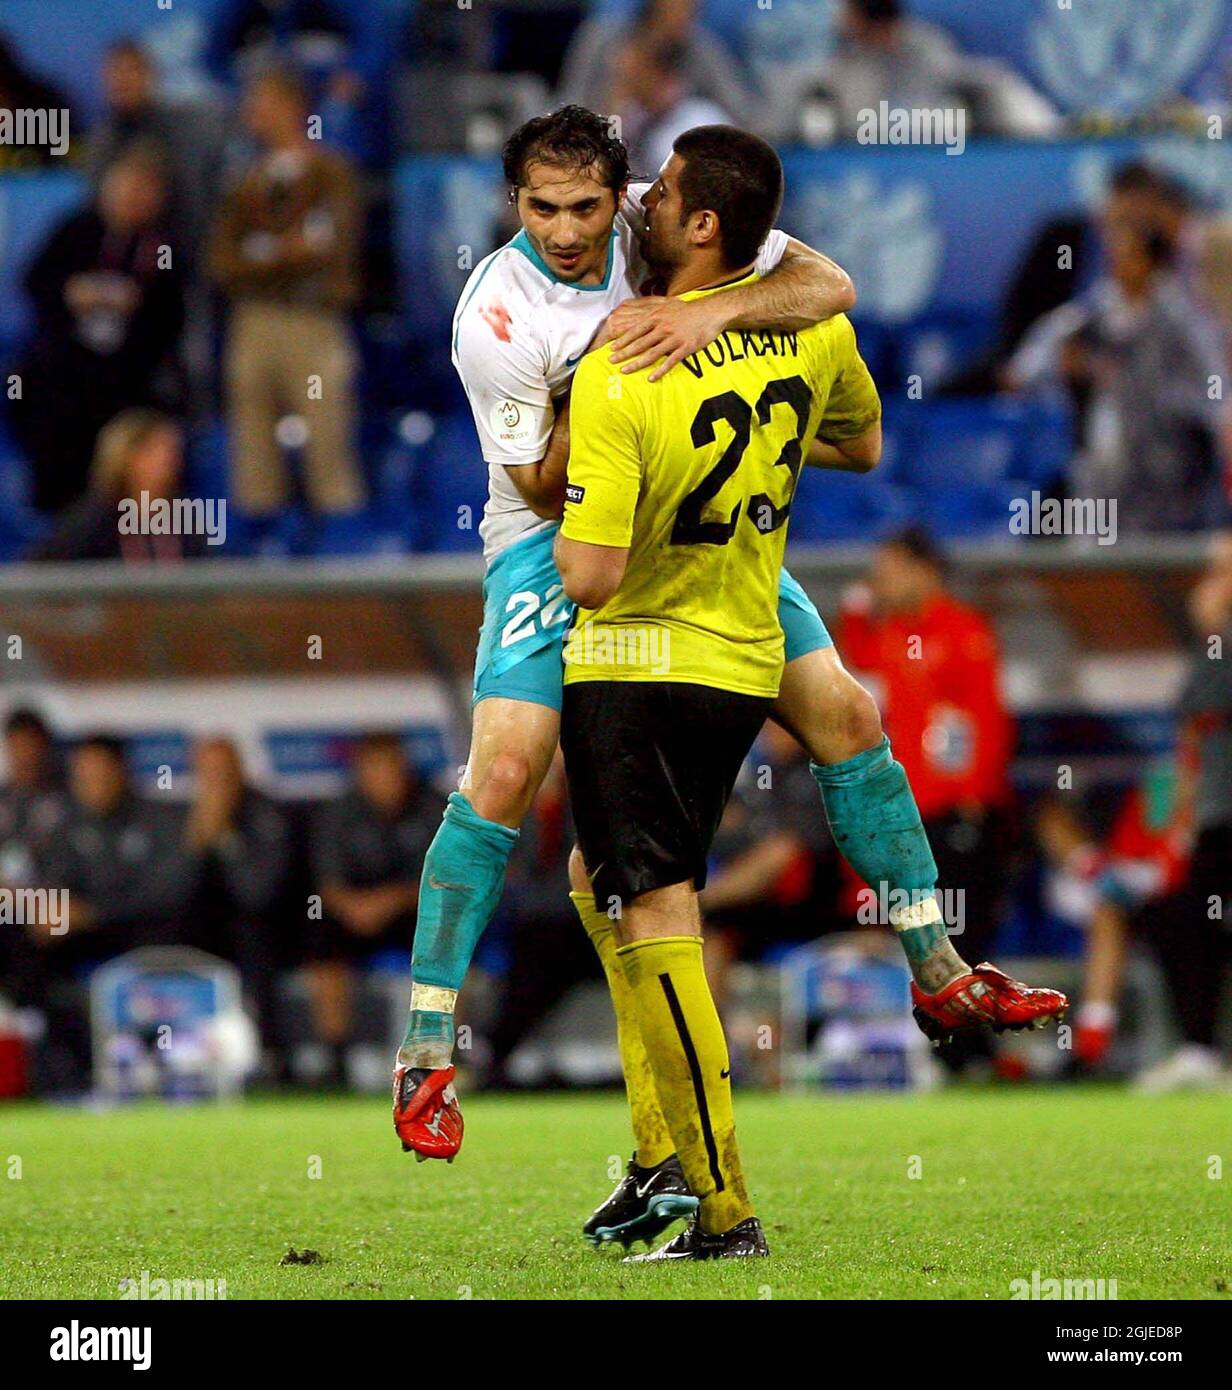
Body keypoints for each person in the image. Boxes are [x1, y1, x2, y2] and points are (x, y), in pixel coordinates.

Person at [392, 102, 857, 1159]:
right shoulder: (494, 318)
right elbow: (540, 483)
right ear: (514, 201)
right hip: (553, 539)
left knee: (843, 708)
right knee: (505, 773)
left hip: (685, 528)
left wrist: (704, 319)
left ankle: (936, 965)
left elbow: (827, 287)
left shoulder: (664, 230)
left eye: (586, 206)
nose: (564, 229)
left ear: (625, 196)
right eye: (542, 207)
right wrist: (605, 379)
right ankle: (424, 1047)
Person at [208, 67, 365, 518]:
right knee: (253, 456)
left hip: (314, 322)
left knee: (328, 447)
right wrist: (285, 252)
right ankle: (260, 561)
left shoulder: (332, 172)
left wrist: (262, 256)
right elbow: (221, 262)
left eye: (264, 103)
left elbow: (332, 252)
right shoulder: (243, 181)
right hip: (252, 322)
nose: (253, 113)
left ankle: (344, 559)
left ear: (294, 107)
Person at [9, 150, 187, 514]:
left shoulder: (163, 247)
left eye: (144, 190)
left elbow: (172, 318)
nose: (134, 198)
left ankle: (124, 519)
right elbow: (35, 280)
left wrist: (138, 303)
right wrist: (71, 292)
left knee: (143, 417)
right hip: (65, 368)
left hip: (129, 374)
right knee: (32, 391)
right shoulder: (77, 230)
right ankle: (57, 516)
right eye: (127, 187)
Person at [1135, 537, 1232, 1091]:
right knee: (1181, 919)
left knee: (1187, 919)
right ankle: (1198, 1049)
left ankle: (1200, 1049)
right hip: (1217, 819)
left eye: (1220, 572)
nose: (1208, 585)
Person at [309, 734, 441, 1085]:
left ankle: (438, 1055)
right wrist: (354, 907)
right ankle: (335, 1057)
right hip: (353, 916)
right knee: (319, 932)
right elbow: (326, 880)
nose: (387, 779)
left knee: (451, 934)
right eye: (376, 770)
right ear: (361, 773)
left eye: (393, 769)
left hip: (414, 913)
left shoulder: (435, 808)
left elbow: (445, 879)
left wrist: (393, 899)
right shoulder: (339, 813)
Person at [184, 736, 293, 1062]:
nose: (217, 783)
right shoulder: (186, 817)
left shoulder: (266, 813)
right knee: (165, 937)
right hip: (202, 929)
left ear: (240, 771)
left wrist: (225, 834)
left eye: (224, 772)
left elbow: (259, 893)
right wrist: (197, 843)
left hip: (268, 926)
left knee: (253, 938)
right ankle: (178, 1053)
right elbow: (169, 894)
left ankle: (268, 1056)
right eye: (208, 774)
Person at [29, 409, 215, 563]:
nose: (169, 460)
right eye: (155, 450)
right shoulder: (94, 520)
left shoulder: (186, 519)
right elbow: (43, 570)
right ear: (126, 457)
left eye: (173, 451)